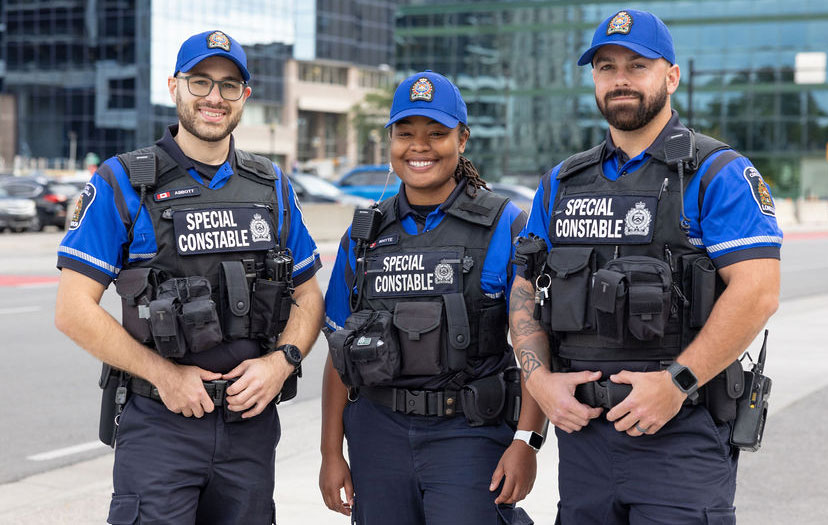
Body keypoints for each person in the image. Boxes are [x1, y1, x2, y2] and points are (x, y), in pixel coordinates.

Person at [510, 9, 781, 524]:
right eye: (606, 67)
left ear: (671, 76)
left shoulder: (716, 173)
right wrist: (541, 382)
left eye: (637, 65)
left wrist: (677, 383)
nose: (620, 80)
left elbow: (759, 291)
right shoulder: (560, 184)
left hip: (681, 436)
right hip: (583, 440)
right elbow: (525, 289)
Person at [54, 30, 324, 524]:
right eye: (200, 82)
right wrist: (164, 375)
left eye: (228, 85)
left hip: (250, 428)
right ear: (174, 87)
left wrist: (281, 363)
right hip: (161, 425)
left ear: (245, 95)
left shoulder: (272, 186)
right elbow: (72, 310)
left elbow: (308, 295)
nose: (213, 98)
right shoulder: (123, 181)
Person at [319, 70, 545, 525]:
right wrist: (330, 453)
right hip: (377, 435)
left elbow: (536, 342)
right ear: (390, 141)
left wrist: (526, 441)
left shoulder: (505, 224)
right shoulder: (364, 235)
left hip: (468, 434)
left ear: (462, 140)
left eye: (436, 134)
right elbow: (339, 353)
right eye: (405, 134)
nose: (418, 147)